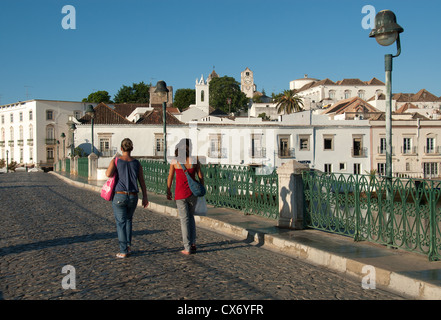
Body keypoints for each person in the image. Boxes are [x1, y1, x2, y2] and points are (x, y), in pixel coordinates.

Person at [106, 138, 149, 258]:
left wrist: (113, 163)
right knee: (129, 220)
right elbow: (141, 181)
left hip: (120, 194)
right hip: (133, 196)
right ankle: (128, 246)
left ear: (121, 148)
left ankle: (123, 250)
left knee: (121, 223)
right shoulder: (136, 163)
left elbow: (108, 174)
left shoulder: (116, 161)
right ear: (132, 148)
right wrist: (145, 196)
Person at [167, 138, 204, 255]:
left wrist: (168, 190)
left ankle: (187, 247)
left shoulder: (175, 161)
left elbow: (170, 177)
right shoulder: (194, 160)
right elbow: (201, 176)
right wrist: (201, 189)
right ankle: (193, 243)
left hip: (180, 194)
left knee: (184, 220)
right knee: (191, 217)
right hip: (193, 194)